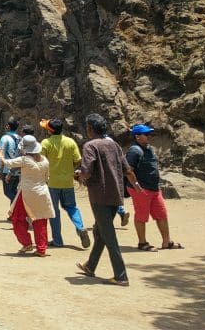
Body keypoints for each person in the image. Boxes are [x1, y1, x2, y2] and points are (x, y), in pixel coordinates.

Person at [76, 114, 140, 286]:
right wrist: (136, 185)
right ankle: (90, 265)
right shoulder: (114, 145)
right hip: (115, 194)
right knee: (100, 231)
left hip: (99, 196)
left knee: (108, 235)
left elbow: (87, 171)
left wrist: (79, 175)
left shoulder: (90, 146)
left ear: (90, 129)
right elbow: (127, 169)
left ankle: (121, 275)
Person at [126, 124, 183, 251]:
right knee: (141, 216)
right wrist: (136, 186)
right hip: (141, 189)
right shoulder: (134, 151)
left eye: (149, 134)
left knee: (161, 214)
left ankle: (166, 242)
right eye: (146, 134)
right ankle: (142, 243)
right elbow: (128, 170)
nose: (149, 137)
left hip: (154, 189)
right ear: (137, 137)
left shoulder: (149, 149)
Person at [0, 134, 55, 257]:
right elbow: (47, 178)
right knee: (41, 220)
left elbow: (8, 163)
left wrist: (1, 155)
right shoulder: (45, 160)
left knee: (17, 218)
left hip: (27, 193)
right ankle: (41, 249)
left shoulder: (25, 160)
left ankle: (27, 242)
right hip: (43, 192)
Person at [40, 118, 90, 249]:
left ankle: (58, 240)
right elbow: (78, 160)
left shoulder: (46, 143)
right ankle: (80, 227)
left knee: (54, 211)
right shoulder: (70, 142)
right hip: (68, 182)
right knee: (72, 207)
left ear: (50, 131)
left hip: (52, 183)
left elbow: (40, 160)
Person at [0, 117, 22, 204]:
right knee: (14, 190)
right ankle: (14, 215)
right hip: (19, 169)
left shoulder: (5, 138)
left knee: (8, 192)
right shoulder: (20, 138)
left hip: (8, 169)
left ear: (8, 127)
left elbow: (0, 155)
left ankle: (21, 208)